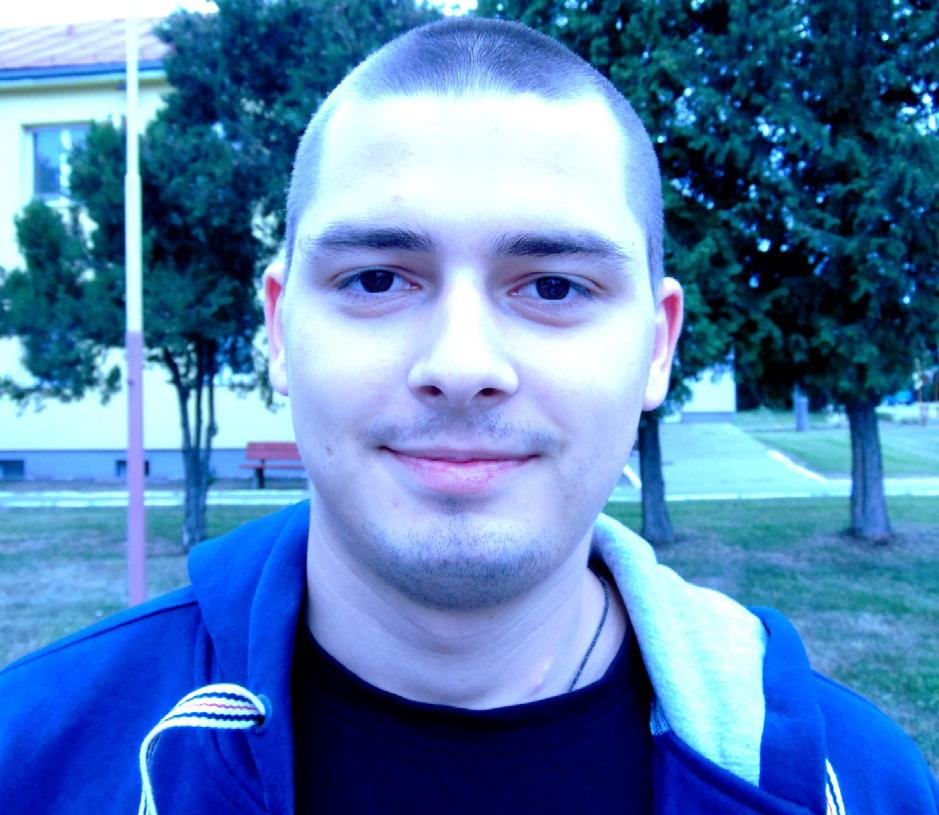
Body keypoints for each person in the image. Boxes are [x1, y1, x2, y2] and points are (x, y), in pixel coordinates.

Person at [0, 16, 936, 815]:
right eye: (376, 279)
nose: (460, 365)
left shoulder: (862, 785)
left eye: (554, 286)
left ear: (657, 346)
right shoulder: (36, 761)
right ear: (279, 329)